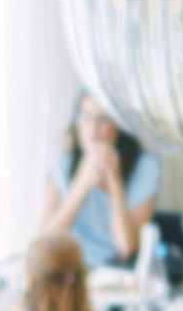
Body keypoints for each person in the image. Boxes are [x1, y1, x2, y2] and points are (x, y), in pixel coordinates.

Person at [42, 93, 160, 270]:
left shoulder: (145, 167)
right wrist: (81, 186)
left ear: (118, 125)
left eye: (103, 120)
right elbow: (44, 244)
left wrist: (115, 182)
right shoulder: (64, 164)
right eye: (86, 118)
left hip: (118, 271)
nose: (93, 130)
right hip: (72, 270)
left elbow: (127, 247)